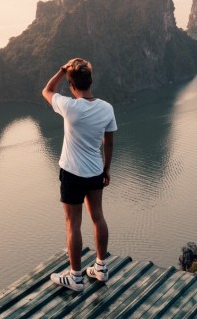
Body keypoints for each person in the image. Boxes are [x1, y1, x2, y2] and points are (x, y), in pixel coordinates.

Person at [41, 57, 117, 292]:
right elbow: (109, 140)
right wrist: (106, 169)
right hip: (95, 171)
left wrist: (62, 70)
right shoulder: (106, 108)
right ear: (91, 81)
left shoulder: (69, 106)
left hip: (72, 173)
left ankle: (75, 277)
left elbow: (47, 90)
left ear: (72, 86)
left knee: (73, 223)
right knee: (98, 217)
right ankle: (101, 268)